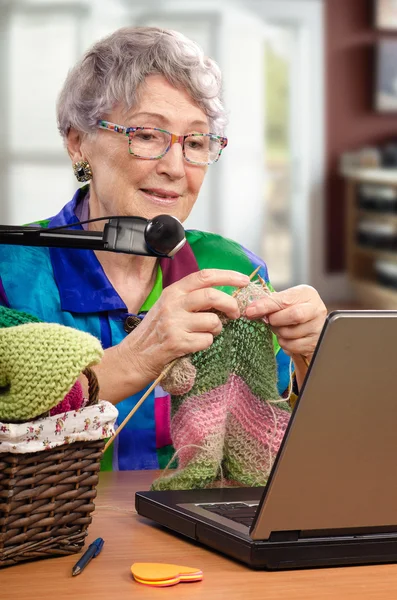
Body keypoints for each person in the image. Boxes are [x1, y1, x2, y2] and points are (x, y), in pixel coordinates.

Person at [0, 26, 327, 471]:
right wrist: (136, 357)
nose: (175, 167)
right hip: (44, 535)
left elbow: (280, 454)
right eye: (149, 135)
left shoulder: (235, 271)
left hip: (194, 532)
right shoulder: (10, 271)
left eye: (195, 143)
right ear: (78, 142)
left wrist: (316, 361)